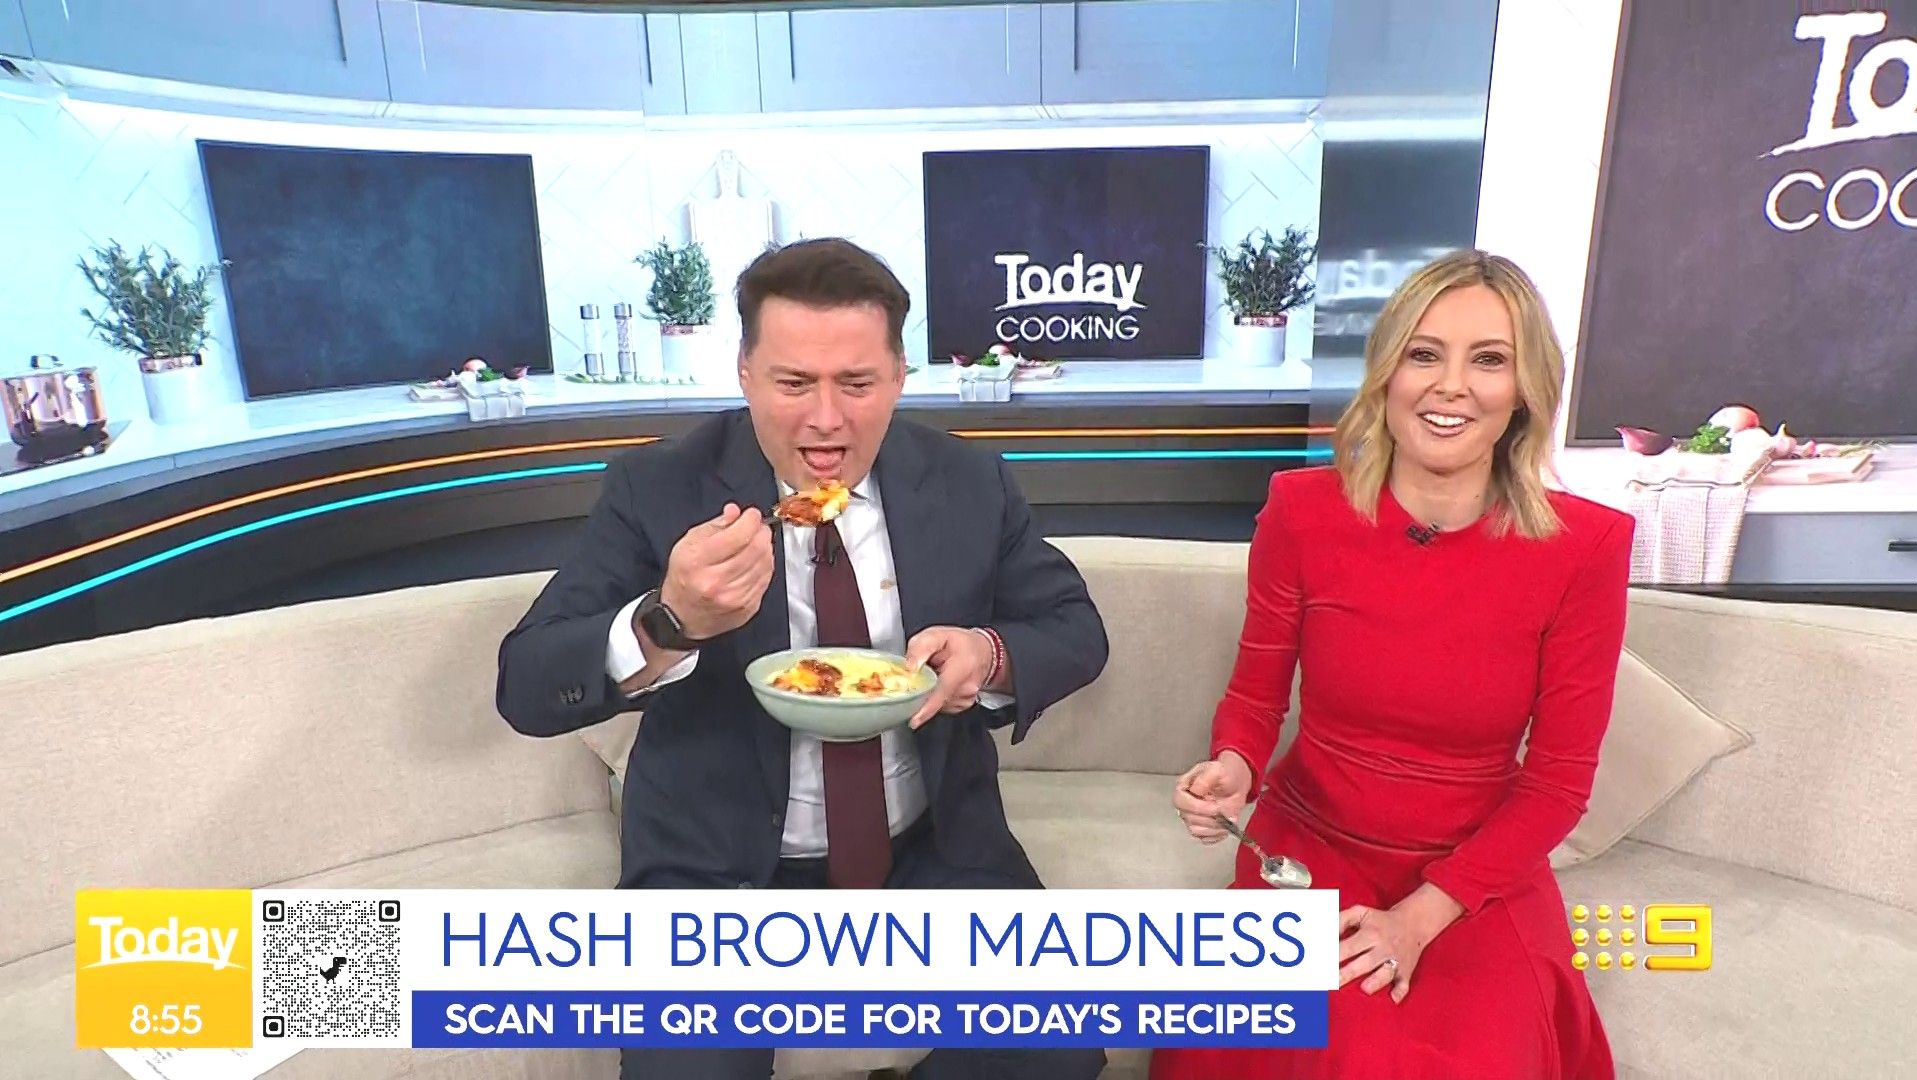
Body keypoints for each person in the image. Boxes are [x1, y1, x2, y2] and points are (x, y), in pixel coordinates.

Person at [495, 238, 1110, 1080]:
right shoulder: (658, 487)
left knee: (1058, 1049)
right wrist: (671, 620)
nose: (826, 420)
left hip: (930, 848)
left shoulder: (969, 481)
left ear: (899, 376)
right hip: (711, 871)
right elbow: (526, 684)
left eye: (856, 384)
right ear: (745, 374)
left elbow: (1074, 628)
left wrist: (988, 654)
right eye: (793, 384)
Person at [1154, 250, 1631, 1080]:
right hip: (1311, 850)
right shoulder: (1301, 511)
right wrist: (1233, 767)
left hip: (1475, 871)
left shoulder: (1585, 547)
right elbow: (1256, 697)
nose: (1451, 386)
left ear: (1525, 389)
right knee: (1306, 1043)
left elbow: (1558, 783)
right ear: (1387, 373)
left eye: (1489, 360)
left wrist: (1420, 917)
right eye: (1424, 354)